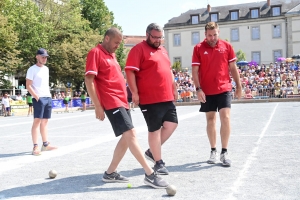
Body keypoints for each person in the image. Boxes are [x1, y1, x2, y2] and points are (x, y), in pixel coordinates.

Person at [84, 27, 168, 189]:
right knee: (131, 134)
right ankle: (150, 174)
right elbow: (89, 80)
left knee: (126, 137)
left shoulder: (112, 55)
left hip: (121, 101)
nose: (118, 46)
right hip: (111, 101)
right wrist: (97, 106)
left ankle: (110, 173)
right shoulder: (95, 52)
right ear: (107, 38)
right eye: (116, 42)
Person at [125, 23, 178, 175]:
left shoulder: (163, 50)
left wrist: (174, 88)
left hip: (166, 96)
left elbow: (168, 71)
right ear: (147, 34)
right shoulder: (138, 49)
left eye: (160, 38)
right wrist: (134, 92)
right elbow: (130, 72)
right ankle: (158, 162)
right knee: (154, 130)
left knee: (172, 124)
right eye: (155, 37)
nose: (158, 41)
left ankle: (151, 152)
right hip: (149, 98)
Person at [191, 22, 242, 166]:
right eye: (209, 35)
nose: (212, 38)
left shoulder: (227, 46)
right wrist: (198, 89)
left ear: (218, 32)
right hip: (206, 90)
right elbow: (194, 71)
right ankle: (213, 150)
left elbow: (233, 67)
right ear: (205, 35)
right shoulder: (198, 48)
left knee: (225, 117)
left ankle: (224, 152)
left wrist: (238, 86)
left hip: (224, 88)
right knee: (211, 120)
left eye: (214, 35)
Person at [26, 48, 57, 156]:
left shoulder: (46, 69)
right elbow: (28, 85)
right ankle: (35, 146)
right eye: (43, 57)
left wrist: (49, 96)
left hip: (47, 97)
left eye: (46, 57)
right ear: (37, 57)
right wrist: (36, 96)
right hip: (38, 98)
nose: (44, 59)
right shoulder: (32, 69)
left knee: (45, 122)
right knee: (37, 121)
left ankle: (45, 144)